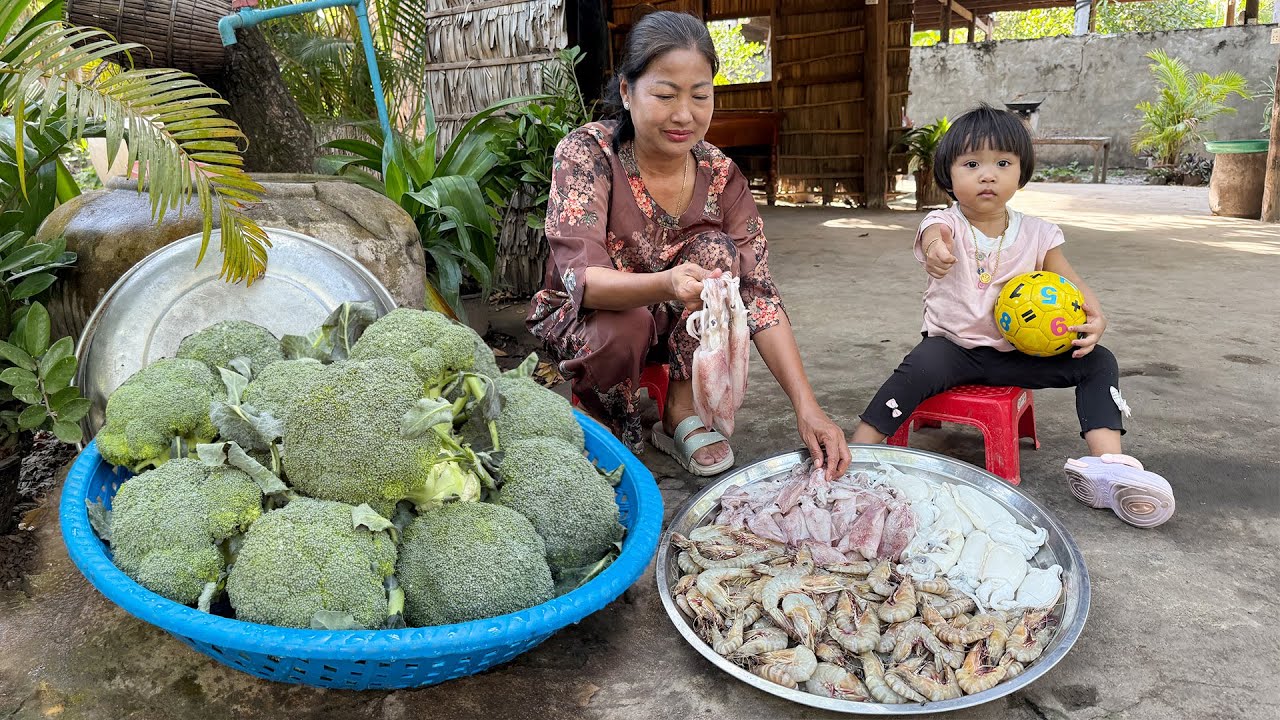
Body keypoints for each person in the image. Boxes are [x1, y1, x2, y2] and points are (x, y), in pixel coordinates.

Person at [527, 11, 850, 479]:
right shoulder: (588, 154)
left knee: (721, 252)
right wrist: (667, 284)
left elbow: (759, 295)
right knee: (628, 324)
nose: (684, 114)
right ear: (626, 92)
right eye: (664, 95)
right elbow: (585, 282)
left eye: (700, 96)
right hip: (591, 320)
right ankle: (604, 416)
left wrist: (808, 407)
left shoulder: (720, 174)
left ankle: (678, 411)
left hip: (673, 322)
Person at [847, 104, 1175, 528]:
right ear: (947, 174)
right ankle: (858, 454)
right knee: (913, 372)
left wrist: (1096, 319)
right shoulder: (945, 222)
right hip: (953, 349)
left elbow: (1074, 287)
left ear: (1022, 172)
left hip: (1020, 353)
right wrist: (936, 252)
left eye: (1003, 163)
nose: (988, 174)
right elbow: (935, 236)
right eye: (972, 164)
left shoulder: (1039, 232)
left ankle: (1109, 467)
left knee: (1099, 361)